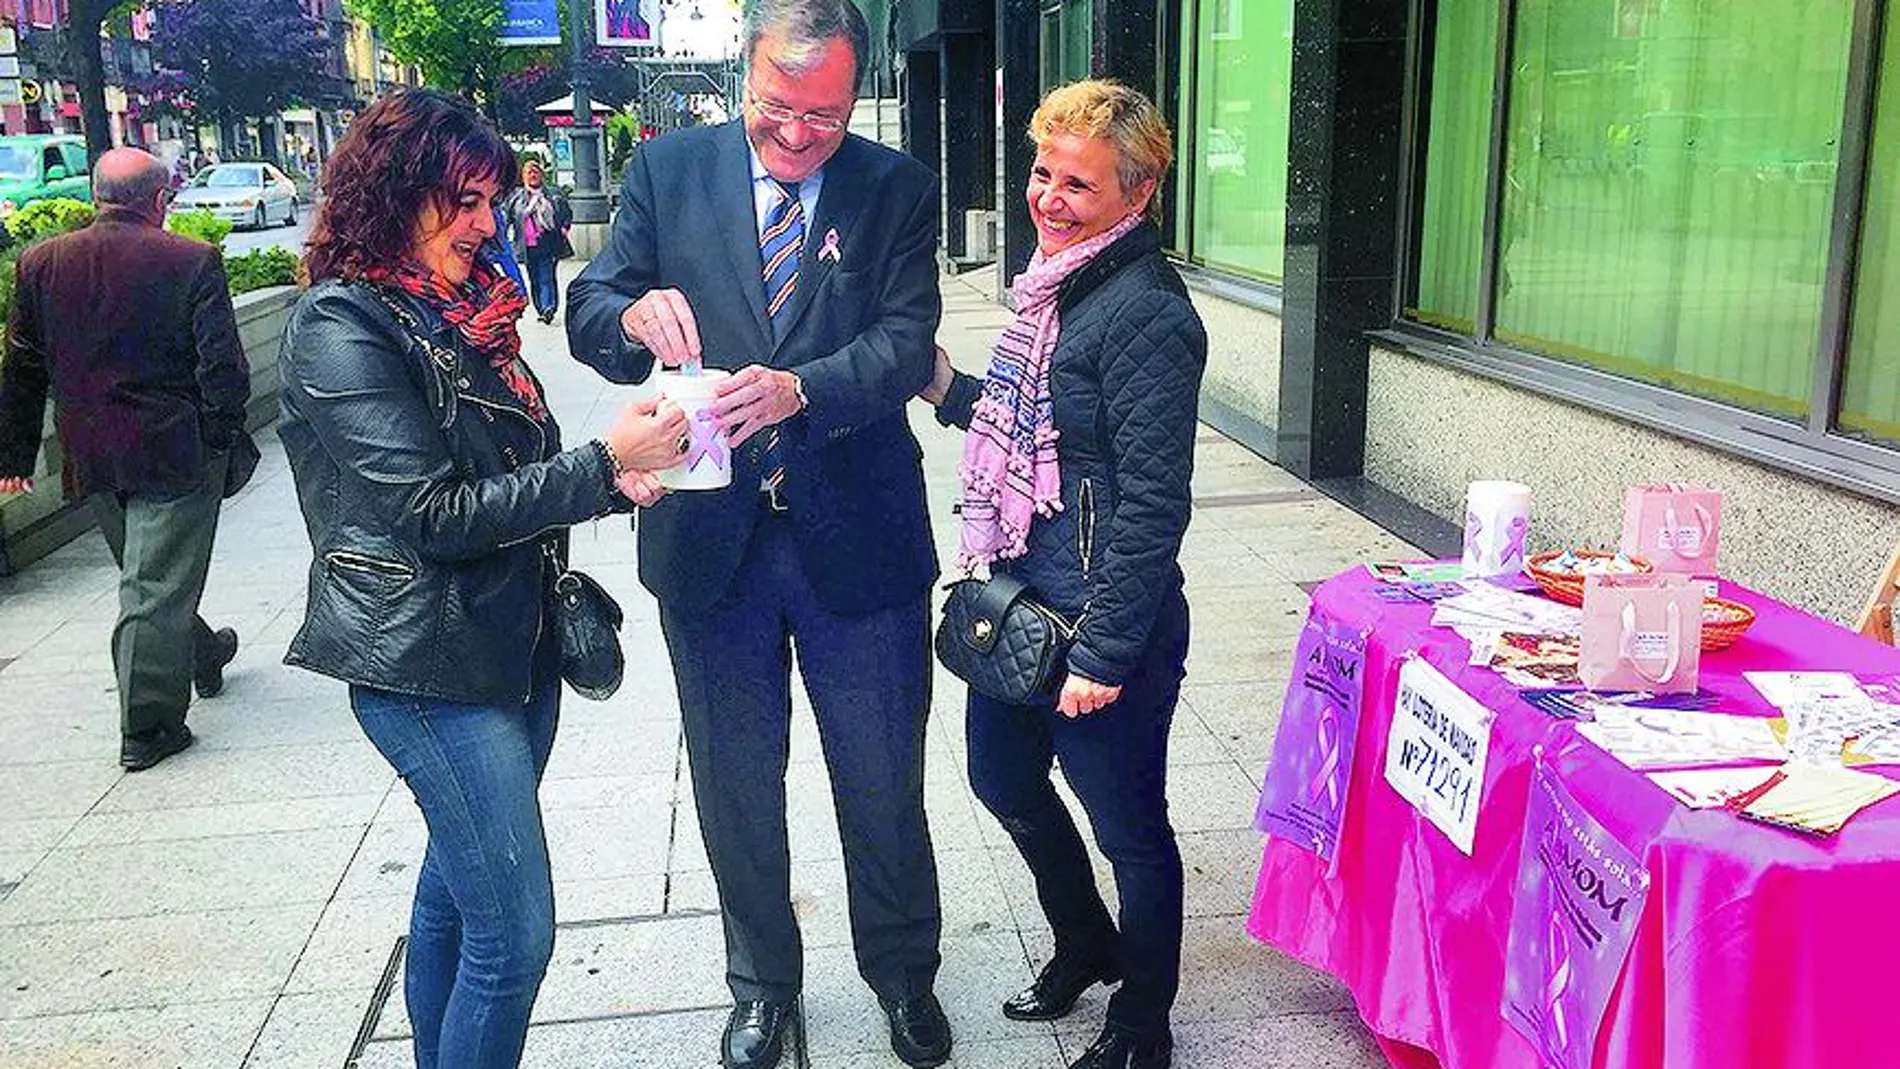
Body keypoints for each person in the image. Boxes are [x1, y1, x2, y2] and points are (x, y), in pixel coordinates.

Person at [565, 0, 950, 1065]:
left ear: (854, 91)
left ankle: (903, 972)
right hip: (710, 541)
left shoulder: (896, 190)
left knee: (881, 778)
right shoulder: (666, 171)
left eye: (822, 118)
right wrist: (629, 317)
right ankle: (761, 984)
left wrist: (801, 388)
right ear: (745, 77)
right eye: (777, 110)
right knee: (737, 782)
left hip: (856, 537)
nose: (794, 136)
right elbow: (589, 303)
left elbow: (905, 340)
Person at [277, 88, 689, 1069]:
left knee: (455, 902)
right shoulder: (342, 325)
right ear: (391, 193)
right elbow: (431, 516)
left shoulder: (462, 311)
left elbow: (504, 474)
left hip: (511, 642)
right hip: (425, 668)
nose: (483, 221)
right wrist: (596, 463)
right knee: (515, 934)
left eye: (489, 200)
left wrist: (611, 481)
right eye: (461, 200)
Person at [917, 79, 1208, 1069]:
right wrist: (951, 388)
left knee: (1130, 827)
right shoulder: (1056, 287)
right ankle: (1086, 940)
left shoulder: (1147, 314)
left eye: (1076, 183)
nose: (1048, 196)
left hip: (1094, 631)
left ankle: (1142, 1026)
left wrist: (1109, 652)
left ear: (1138, 191)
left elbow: (1150, 506)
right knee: (999, 777)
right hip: (1020, 606)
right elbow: (1036, 431)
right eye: (1043, 171)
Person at [0, 147, 249, 772]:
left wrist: (15, 454)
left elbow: (23, 366)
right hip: (174, 448)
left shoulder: (40, 262)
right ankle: (149, 726)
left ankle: (200, 655)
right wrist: (219, 434)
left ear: (95, 197)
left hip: (93, 452)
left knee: (148, 576)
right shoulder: (192, 261)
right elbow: (222, 367)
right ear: (160, 199)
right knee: (153, 584)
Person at [502, 160, 573, 325]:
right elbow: (509, 218)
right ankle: (540, 308)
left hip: (548, 242)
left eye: (535, 172)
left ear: (541, 174)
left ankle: (549, 307)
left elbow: (566, 214)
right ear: (524, 177)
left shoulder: (553, 194)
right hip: (527, 245)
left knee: (547, 276)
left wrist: (564, 228)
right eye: (529, 173)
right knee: (534, 278)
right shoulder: (516, 197)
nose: (533, 176)